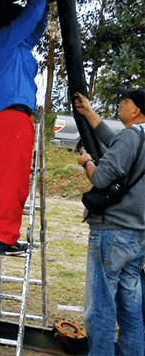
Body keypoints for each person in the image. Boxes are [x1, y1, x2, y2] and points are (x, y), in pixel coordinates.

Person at [0, 0, 48, 255]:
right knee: (13, 181)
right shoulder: (8, 39)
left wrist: (47, 5)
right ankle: (5, 237)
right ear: (13, 23)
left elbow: (35, 29)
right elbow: (32, 15)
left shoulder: (9, 45)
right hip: (16, 119)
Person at [73, 88, 145, 356]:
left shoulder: (131, 137)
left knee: (100, 307)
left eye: (125, 101)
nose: (121, 104)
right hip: (138, 236)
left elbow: (102, 179)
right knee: (130, 307)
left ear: (136, 110)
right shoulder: (137, 138)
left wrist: (87, 162)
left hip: (112, 233)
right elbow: (118, 144)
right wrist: (90, 114)